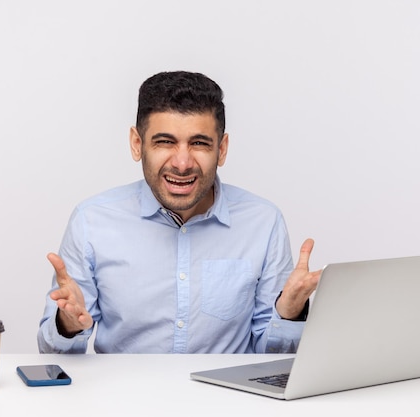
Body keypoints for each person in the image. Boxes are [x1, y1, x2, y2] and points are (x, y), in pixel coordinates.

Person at [37, 71, 321, 354]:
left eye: (199, 143)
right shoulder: (92, 221)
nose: (183, 163)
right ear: (138, 145)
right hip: (125, 397)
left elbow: (273, 361)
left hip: (227, 399)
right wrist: (67, 324)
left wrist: (289, 314)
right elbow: (53, 356)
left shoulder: (263, 222)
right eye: (164, 142)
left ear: (221, 149)